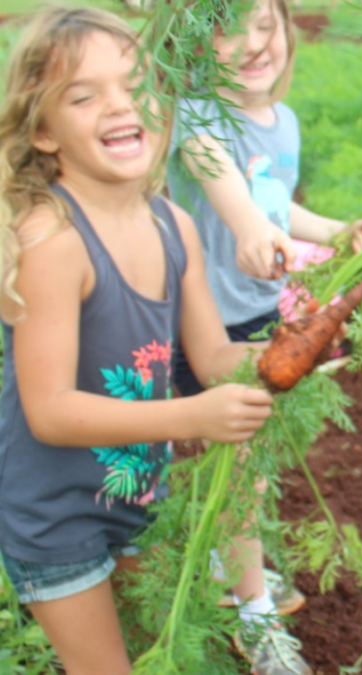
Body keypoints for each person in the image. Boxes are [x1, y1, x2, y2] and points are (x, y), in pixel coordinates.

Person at [0, 7, 281, 674]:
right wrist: (190, 417)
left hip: (136, 496)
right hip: (55, 514)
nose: (120, 107)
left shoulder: (173, 224)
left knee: (161, 645)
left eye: (134, 86)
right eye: (84, 95)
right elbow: (50, 409)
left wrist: (290, 352)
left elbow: (212, 356)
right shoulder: (53, 241)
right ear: (43, 130)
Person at [165, 0, 362, 673]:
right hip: (198, 319)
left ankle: (231, 566)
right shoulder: (197, 115)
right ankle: (250, 609)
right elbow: (225, 185)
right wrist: (252, 229)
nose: (255, 44)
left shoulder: (282, 122)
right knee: (231, 468)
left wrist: (337, 231)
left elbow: (278, 202)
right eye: (229, 31)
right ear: (195, 44)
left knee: (240, 468)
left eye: (266, 24)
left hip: (257, 318)